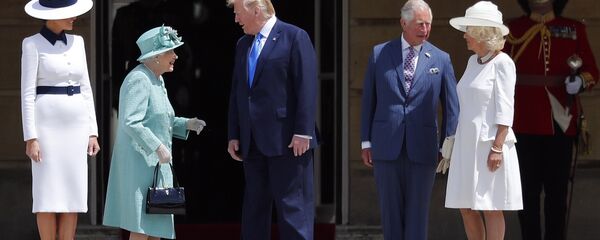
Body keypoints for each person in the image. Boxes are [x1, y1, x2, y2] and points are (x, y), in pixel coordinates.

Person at [360, 0, 459, 239]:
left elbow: (452, 107)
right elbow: (368, 101)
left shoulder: (441, 59)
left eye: (428, 24)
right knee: (391, 217)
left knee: (418, 217)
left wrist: (448, 145)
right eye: (419, 24)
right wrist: (366, 142)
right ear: (403, 23)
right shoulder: (379, 53)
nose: (425, 29)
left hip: (424, 148)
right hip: (385, 146)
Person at [504, 0, 599, 239]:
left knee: (557, 195)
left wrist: (580, 81)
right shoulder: (512, 29)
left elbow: (592, 71)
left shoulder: (573, 28)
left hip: (560, 122)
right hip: (523, 122)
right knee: (526, 194)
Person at [102, 25, 206, 240]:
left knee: (156, 227)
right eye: (171, 51)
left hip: (155, 166)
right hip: (140, 165)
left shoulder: (157, 79)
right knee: (141, 228)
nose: (176, 56)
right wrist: (157, 146)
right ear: (156, 56)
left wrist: (187, 124)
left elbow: (160, 120)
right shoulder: (139, 79)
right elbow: (131, 121)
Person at [226, 0, 318, 239]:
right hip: (252, 141)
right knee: (254, 210)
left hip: (288, 140)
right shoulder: (243, 44)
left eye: (238, 13)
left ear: (255, 10)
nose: (236, 19)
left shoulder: (294, 37)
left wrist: (303, 131)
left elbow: (306, 86)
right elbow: (238, 91)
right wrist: (234, 133)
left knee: (293, 210)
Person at [21, 0, 100, 239]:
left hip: (76, 126)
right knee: (47, 194)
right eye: (68, 13)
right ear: (51, 15)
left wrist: (92, 131)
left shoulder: (79, 42)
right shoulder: (31, 44)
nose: (74, 17)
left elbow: (86, 88)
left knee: (72, 193)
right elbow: (27, 92)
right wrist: (31, 137)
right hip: (46, 127)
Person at [445, 2, 523, 240]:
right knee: (465, 205)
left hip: (489, 144)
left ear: (481, 33)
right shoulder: (472, 62)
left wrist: (497, 148)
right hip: (466, 144)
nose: (465, 35)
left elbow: (505, 109)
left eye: (469, 30)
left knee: (490, 205)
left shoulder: (503, 63)